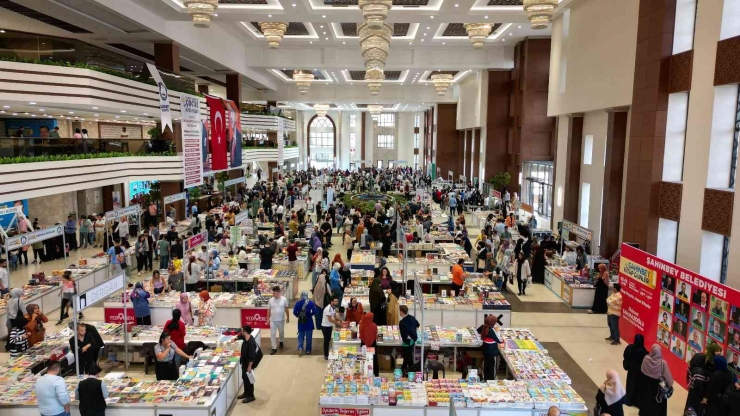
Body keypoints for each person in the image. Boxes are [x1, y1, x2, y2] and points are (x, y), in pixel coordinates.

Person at [637, 344, 674, 416]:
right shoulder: (663, 363)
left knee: (646, 402)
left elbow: (642, 370)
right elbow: (668, 379)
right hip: (658, 389)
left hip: (646, 387)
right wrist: (670, 385)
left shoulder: (646, 358)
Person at [235, 324, 259, 404]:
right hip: (244, 362)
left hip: (248, 364)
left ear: (245, 332)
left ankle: (251, 396)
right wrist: (236, 338)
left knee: (249, 379)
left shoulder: (251, 343)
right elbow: (240, 336)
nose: (241, 332)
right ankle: (246, 393)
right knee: (244, 378)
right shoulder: (246, 337)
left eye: (242, 331)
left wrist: (249, 367)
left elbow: (252, 357)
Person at [622, 334, 648, 407]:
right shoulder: (644, 352)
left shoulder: (630, 348)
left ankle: (629, 400)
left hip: (631, 371)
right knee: (638, 386)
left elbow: (625, 355)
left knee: (630, 384)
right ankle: (637, 402)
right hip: (640, 372)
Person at [477, 314, 503, 381]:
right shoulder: (492, 330)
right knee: (492, 366)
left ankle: (485, 378)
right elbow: (498, 340)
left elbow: (478, 330)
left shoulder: (484, 326)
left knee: (486, 364)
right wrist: (499, 334)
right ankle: (491, 380)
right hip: (492, 350)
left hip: (485, 349)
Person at [293, 291, 316, 355]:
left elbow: (294, 312)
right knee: (309, 337)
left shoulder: (298, 303)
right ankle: (308, 350)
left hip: (301, 322)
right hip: (309, 322)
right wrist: (310, 315)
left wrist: (299, 316)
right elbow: (314, 311)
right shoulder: (310, 303)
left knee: (300, 335)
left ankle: (300, 347)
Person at [267, 286, 289, 355]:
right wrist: (267, 318)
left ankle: (281, 341)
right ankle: (274, 348)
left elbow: (286, 309)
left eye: (275, 293)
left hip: (281, 320)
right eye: (273, 293)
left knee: (281, 331)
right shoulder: (270, 300)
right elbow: (269, 310)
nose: (273, 295)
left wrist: (288, 317)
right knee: (272, 334)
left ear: (279, 292)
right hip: (273, 320)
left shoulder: (284, 299)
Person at [399, 305, 420, 375]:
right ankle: (403, 369)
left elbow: (404, 335)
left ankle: (413, 373)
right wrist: (413, 334)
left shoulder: (402, 323)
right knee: (406, 357)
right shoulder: (412, 318)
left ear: (401, 312)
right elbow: (418, 325)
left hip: (407, 343)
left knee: (409, 359)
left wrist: (409, 337)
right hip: (413, 341)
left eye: (399, 311)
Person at [321, 296, 342, 360]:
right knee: (326, 341)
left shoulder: (333, 308)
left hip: (329, 326)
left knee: (329, 339)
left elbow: (335, 316)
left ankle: (327, 353)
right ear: (331, 302)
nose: (336, 302)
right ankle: (326, 355)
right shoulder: (328, 309)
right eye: (335, 301)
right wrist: (337, 323)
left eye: (337, 301)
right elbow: (330, 319)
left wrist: (341, 320)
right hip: (325, 327)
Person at [359, 312, 379, 376]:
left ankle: (363, 372)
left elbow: (360, 334)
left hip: (363, 343)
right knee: (374, 358)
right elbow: (375, 333)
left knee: (363, 357)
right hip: (373, 343)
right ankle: (376, 373)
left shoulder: (361, 325)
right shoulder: (374, 325)